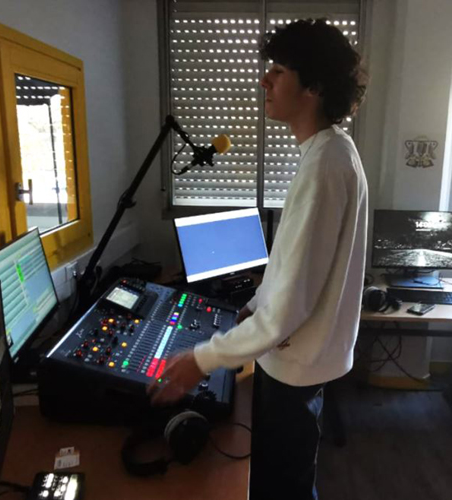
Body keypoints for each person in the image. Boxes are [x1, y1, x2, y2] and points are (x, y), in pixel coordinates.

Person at [148, 19, 368, 500]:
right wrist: (254, 303)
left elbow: (292, 301)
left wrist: (201, 360)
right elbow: (294, 266)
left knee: (282, 488)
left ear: (313, 86)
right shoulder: (330, 151)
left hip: (294, 367)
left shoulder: (325, 165)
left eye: (279, 71)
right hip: (300, 361)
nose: (265, 81)